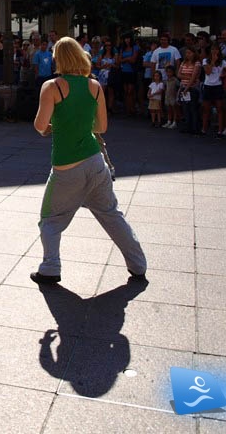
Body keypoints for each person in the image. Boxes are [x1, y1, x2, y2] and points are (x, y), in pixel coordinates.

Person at [30, 37, 147, 284]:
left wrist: (56, 126)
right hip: (95, 162)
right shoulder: (94, 86)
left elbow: (40, 126)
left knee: (50, 220)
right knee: (111, 214)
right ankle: (138, 264)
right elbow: (101, 126)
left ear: (58, 59)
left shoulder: (52, 86)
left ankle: (51, 267)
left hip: (66, 166)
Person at [201, 45, 226, 137]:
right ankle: (204, 129)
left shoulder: (223, 62)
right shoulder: (205, 60)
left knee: (219, 108)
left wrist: (223, 75)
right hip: (208, 85)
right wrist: (213, 61)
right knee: (206, 109)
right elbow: (207, 72)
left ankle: (220, 130)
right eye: (212, 49)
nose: (214, 51)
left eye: (216, 49)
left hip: (218, 86)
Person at [162, 65, 179, 129]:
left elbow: (179, 87)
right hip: (167, 96)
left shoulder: (175, 80)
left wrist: (177, 95)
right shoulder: (166, 80)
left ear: (173, 72)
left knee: (174, 109)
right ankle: (169, 121)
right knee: (169, 109)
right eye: (167, 72)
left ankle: (174, 122)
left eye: (170, 72)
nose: (169, 73)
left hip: (173, 97)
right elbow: (165, 88)